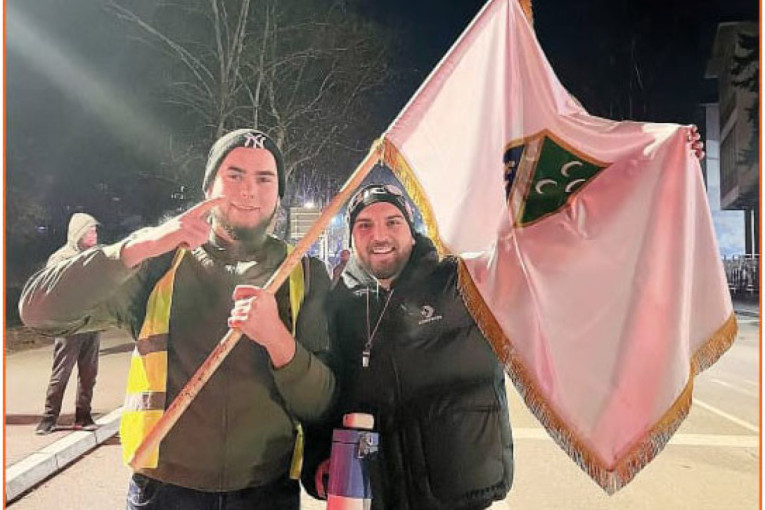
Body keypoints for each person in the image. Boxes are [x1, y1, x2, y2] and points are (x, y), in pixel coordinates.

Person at [20, 129, 335, 510]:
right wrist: (143, 244)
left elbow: (320, 403)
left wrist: (277, 339)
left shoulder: (304, 273)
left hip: (266, 493)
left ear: (279, 194)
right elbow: (38, 311)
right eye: (233, 175)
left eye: (264, 178)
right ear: (209, 188)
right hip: (164, 492)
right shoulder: (160, 261)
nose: (248, 190)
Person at [302, 184, 513, 510]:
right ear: (352, 237)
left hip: (458, 488)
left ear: (412, 231)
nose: (379, 235)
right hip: (378, 490)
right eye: (365, 225)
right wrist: (319, 456)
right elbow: (326, 387)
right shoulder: (339, 304)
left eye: (392, 222)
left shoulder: (459, 279)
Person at [35, 213, 102, 435]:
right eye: (90, 230)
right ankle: (48, 417)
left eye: (95, 230)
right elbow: (49, 289)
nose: (94, 234)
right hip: (69, 325)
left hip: (91, 323)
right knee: (61, 372)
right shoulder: (61, 258)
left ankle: (83, 417)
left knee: (89, 373)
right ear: (79, 233)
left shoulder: (96, 256)